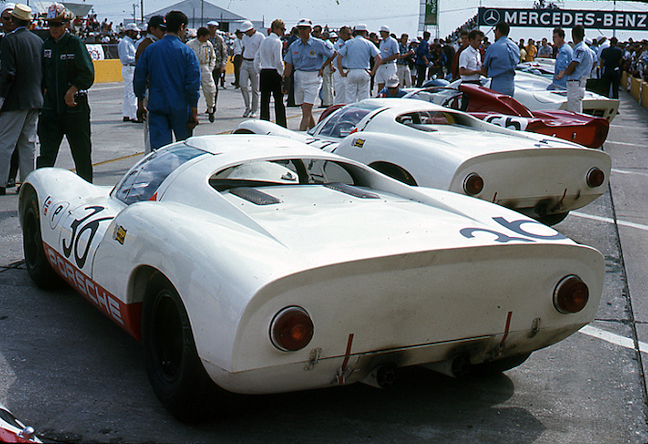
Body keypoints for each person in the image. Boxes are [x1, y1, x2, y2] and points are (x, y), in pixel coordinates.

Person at [37, 3, 95, 183]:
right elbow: (41, 74)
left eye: (57, 24)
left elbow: (88, 74)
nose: (53, 28)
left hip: (74, 108)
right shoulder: (46, 45)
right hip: (51, 109)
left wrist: (72, 90)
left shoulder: (75, 43)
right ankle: (41, 191)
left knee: (81, 154)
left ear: (66, 24)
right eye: (50, 24)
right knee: (46, 155)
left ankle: (87, 193)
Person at [134, 10, 200, 150]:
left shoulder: (150, 49)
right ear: (181, 27)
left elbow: (139, 78)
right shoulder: (187, 52)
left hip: (157, 105)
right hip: (181, 107)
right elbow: (193, 85)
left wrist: (140, 102)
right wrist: (194, 110)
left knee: (159, 151)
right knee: (184, 150)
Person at [0, 3, 42, 195]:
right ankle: (27, 183)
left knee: (5, 143)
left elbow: (8, 74)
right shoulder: (38, 41)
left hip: (14, 100)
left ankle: (0, 183)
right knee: (28, 144)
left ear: (15, 20)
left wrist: (1, 97)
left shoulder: (9, 40)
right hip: (34, 99)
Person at [283, 18, 336, 131]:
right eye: (300, 29)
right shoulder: (294, 46)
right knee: (305, 109)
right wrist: (284, 81)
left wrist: (323, 66)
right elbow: (289, 65)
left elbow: (333, 53)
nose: (302, 31)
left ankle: (302, 134)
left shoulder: (318, 44)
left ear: (310, 30)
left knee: (306, 110)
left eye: (305, 29)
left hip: (313, 77)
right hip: (299, 77)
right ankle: (314, 131)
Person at [134, 15, 166, 153]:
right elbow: (140, 75)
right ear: (152, 29)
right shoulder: (146, 46)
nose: (164, 32)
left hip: (156, 91)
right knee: (151, 128)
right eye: (162, 29)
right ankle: (149, 158)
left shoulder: (156, 44)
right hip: (150, 91)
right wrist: (140, 102)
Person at [336, 23, 381, 102]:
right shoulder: (368, 43)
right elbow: (379, 58)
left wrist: (342, 72)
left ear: (355, 32)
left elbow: (339, 58)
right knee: (364, 99)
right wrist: (373, 72)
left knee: (350, 98)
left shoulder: (348, 43)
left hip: (351, 72)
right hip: (364, 71)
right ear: (365, 33)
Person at [254, 18, 286, 127]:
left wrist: (260, 70)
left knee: (264, 101)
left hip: (264, 72)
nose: (283, 32)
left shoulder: (264, 41)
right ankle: (281, 125)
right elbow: (278, 61)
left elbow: (256, 58)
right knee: (278, 102)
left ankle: (264, 124)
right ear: (276, 29)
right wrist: (282, 74)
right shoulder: (277, 42)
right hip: (274, 72)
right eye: (282, 29)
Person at [482, 21, 519, 97]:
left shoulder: (493, 47)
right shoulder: (515, 47)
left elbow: (484, 67)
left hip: (498, 83)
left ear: (498, 31)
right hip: (511, 83)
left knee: (496, 107)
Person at [187, 27, 216, 123]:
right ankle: (191, 111)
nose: (208, 37)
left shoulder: (208, 45)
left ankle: (211, 110)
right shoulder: (190, 44)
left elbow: (213, 57)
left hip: (205, 68)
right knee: (192, 91)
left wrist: (210, 68)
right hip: (193, 69)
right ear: (201, 36)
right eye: (206, 36)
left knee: (210, 90)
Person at [562, 25, 594, 113]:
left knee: (573, 111)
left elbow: (573, 65)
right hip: (581, 82)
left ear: (573, 36)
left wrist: (566, 71)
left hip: (575, 82)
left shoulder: (579, 49)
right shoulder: (588, 49)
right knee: (577, 108)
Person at [239, 20, 264, 118]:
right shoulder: (245, 37)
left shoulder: (260, 37)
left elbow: (263, 51)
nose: (245, 33)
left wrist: (260, 64)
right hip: (245, 62)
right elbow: (244, 49)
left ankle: (254, 110)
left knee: (255, 89)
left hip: (255, 62)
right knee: (242, 85)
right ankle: (247, 107)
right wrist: (240, 64)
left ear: (251, 29)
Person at [118, 23, 139, 122]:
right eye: (134, 32)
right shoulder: (125, 43)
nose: (136, 33)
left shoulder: (130, 42)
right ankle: (134, 115)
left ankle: (126, 114)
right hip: (129, 68)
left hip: (131, 68)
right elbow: (125, 58)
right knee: (132, 92)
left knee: (127, 93)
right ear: (129, 31)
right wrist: (137, 59)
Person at [207, 21, 228, 113]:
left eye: (213, 27)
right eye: (210, 27)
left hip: (216, 66)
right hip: (206, 66)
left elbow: (224, 53)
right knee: (207, 87)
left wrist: (223, 65)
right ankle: (208, 105)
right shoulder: (205, 38)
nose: (211, 29)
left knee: (214, 86)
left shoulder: (220, 39)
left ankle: (213, 105)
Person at [374, 25, 399, 92]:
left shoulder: (393, 41)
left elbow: (396, 55)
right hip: (381, 65)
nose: (380, 33)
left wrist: (385, 60)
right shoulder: (382, 42)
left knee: (390, 85)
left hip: (389, 65)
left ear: (386, 32)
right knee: (380, 84)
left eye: (382, 32)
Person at [332, 25, 351, 105]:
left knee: (347, 94)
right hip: (341, 70)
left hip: (346, 69)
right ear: (342, 34)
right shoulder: (340, 44)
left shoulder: (348, 43)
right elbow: (338, 58)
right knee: (341, 93)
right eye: (348, 34)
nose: (349, 36)